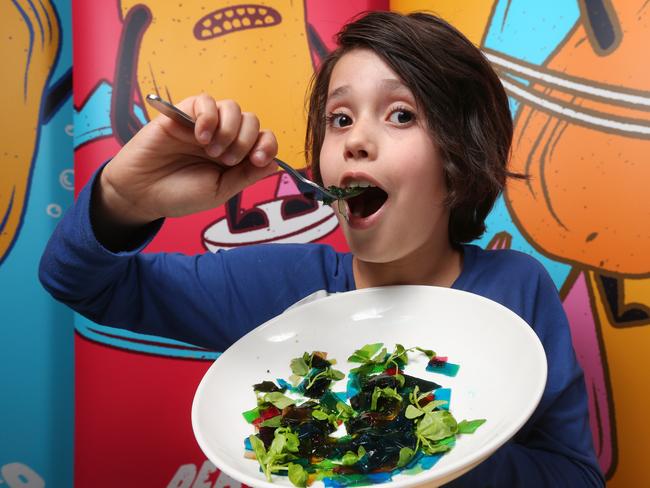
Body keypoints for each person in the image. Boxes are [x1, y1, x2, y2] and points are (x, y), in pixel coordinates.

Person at [39, 11, 604, 487]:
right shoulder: (277, 289)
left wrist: (430, 451)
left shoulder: (516, 290)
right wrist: (122, 195)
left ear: (458, 165)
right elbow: (80, 282)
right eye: (339, 118)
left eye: (400, 114)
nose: (355, 139)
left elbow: (576, 476)